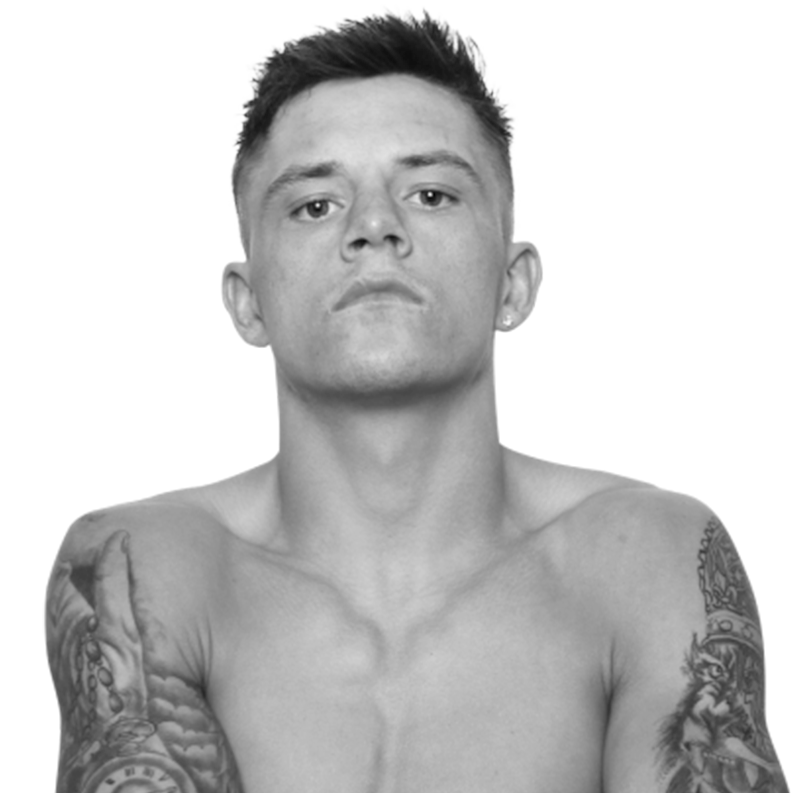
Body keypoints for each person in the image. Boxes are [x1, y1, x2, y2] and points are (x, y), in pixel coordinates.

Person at [45, 12, 788, 793]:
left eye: (430, 194)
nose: (374, 227)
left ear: (513, 285)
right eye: (315, 204)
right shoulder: (139, 565)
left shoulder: (644, 558)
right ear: (246, 301)